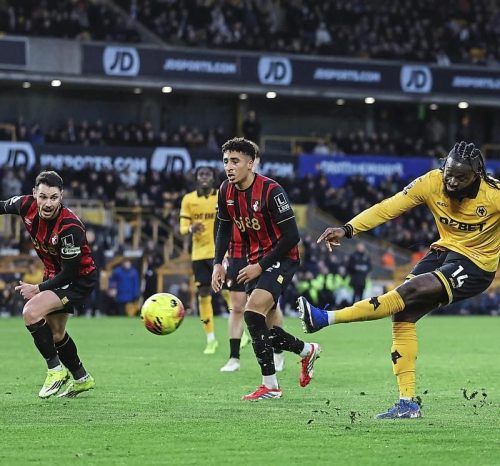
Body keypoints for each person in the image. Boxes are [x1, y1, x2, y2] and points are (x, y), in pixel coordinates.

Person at [298, 141, 499, 418]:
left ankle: (325, 318)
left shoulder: (493, 195)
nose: (452, 181)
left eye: (460, 177)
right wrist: (348, 229)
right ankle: (407, 404)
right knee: (402, 315)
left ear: (477, 175)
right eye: (449, 173)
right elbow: (389, 207)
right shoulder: (431, 182)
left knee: (410, 290)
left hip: (477, 264)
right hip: (444, 251)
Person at [212, 137, 321, 400]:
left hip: (282, 258)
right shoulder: (225, 190)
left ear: (250, 164)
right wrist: (217, 263)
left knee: (251, 314)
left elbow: (292, 236)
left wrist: (260, 267)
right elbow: (224, 227)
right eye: (226, 161)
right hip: (254, 259)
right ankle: (307, 351)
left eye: (235, 161)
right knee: (266, 330)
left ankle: (270, 386)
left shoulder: (272, 191)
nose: (229, 167)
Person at [0, 170, 97, 398]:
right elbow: (2, 206)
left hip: (77, 280)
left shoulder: (70, 227)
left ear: (61, 196)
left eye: (53, 197)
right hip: (54, 275)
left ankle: (55, 370)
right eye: (43, 196)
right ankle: (82, 378)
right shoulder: (25, 205)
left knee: (31, 312)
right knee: (56, 334)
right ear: (34, 193)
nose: (48, 203)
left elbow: (69, 273)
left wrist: (37, 289)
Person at [180, 166, 221, 354]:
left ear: (213, 178)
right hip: (198, 254)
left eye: (208, 174)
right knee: (204, 293)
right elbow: (182, 228)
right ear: (196, 178)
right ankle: (210, 338)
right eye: (201, 174)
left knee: (228, 290)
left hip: (220, 253)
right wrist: (190, 228)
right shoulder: (188, 199)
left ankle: (240, 332)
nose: (204, 177)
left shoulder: (221, 196)